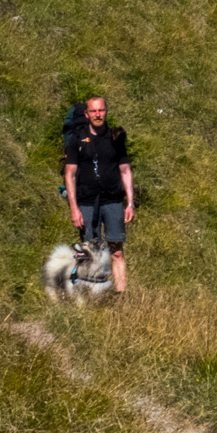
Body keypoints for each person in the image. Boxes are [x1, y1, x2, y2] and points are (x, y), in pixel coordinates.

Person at [64, 95, 135, 294]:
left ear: (106, 111)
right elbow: (70, 174)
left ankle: (121, 297)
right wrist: (74, 208)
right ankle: (91, 297)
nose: (98, 114)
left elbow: (125, 171)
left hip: (112, 200)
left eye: (101, 110)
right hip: (86, 202)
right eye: (93, 111)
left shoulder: (115, 137)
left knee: (117, 251)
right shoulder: (78, 139)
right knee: (89, 251)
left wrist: (130, 203)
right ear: (86, 114)